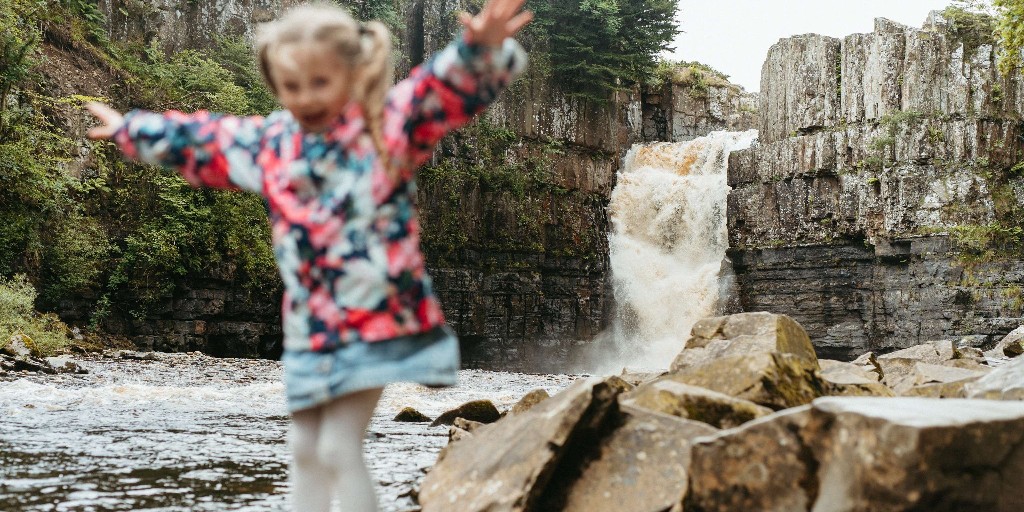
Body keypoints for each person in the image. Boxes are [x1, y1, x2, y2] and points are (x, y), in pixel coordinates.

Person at [86, 0, 532, 510]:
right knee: (302, 448)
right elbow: (203, 139)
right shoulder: (274, 143)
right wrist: (130, 130)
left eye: (320, 84)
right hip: (311, 328)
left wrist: (483, 47)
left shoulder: (385, 124)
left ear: (352, 73)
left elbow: (440, 88)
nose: (306, 99)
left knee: (338, 447)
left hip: (376, 317)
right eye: (291, 88)